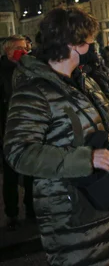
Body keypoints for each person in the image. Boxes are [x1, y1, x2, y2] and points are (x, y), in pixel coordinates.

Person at [3, 7, 109, 265]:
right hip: (75, 222)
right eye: (89, 41)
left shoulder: (84, 81)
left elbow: (105, 130)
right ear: (72, 44)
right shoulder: (34, 92)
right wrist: (86, 159)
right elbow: (18, 152)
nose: (93, 46)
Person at [1, 35, 34, 230]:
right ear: (9, 51)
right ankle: (12, 212)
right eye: (21, 48)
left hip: (29, 128)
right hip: (8, 131)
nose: (25, 51)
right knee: (11, 175)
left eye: (26, 47)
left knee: (30, 171)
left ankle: (31, 208)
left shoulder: (28, 68)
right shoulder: (2, 71)